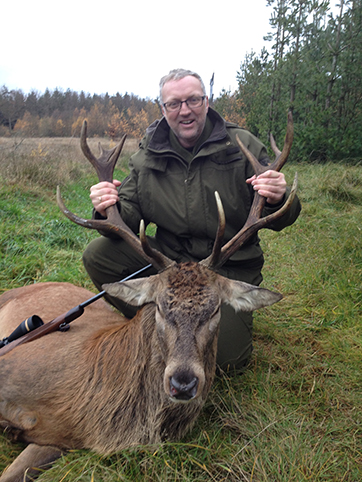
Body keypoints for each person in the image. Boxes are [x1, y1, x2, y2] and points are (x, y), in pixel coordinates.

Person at [82, 68, 301, 371]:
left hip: (227, 265)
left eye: (193, 100)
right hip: (171, 263)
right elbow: (128, 214)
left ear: (207, 102)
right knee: (98, 255)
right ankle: (163, 322)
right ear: (163, 109)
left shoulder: (242, 146)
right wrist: (107, 206)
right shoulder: (148, 154)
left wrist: (279, 197)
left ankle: (177, 319)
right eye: (174, 103)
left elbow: (281, 219)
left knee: (227, 362)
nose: (184, 110)